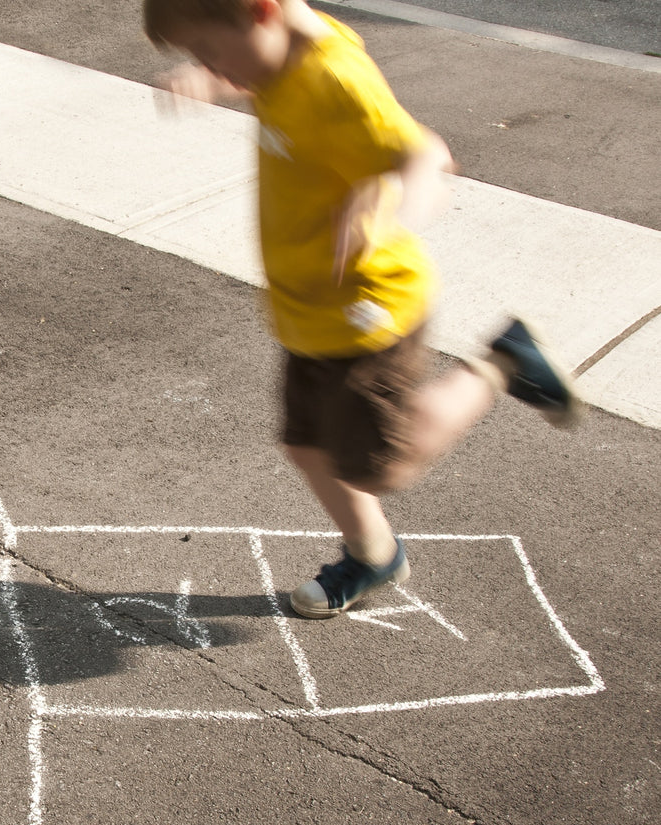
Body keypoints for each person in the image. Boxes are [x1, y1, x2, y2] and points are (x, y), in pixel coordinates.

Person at [142, 0, 583, 618]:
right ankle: (374, 554)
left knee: (382, 466)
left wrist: (390, 203)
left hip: (368, 311)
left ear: (262, 14)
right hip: (309, 311)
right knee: (306, 445)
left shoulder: (338, 80)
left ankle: (504, 363)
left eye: (210, 52)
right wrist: (214, 78)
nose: (212, 65)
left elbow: (429, 156)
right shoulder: (273, 57)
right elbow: (258, 70)